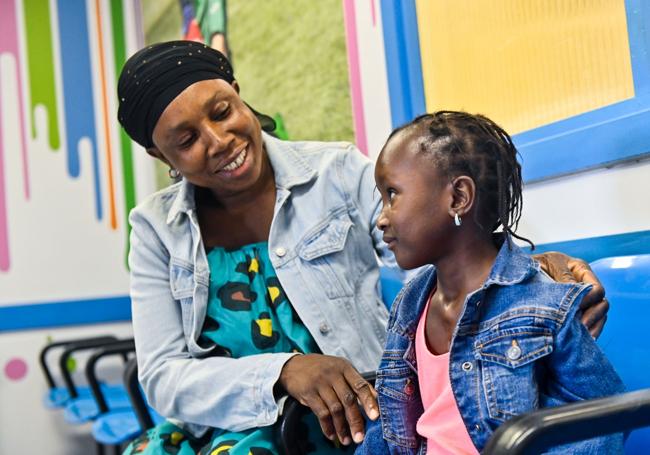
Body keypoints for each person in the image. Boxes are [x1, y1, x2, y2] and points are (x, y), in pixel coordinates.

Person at [116, 41, 609, 454]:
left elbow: (441, 235)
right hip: (225, 429)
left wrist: (536, 265)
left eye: (222, 112)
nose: (219, 140)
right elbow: (161, 375)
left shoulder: (335, 174)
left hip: (357, 417)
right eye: (186, 140)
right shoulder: (158, 230)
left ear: (239, 97)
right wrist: (283, 370)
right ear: (160, 155)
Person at [356, 111, 625, 454]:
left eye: (392, 194)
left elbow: (600, 422)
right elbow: (391, 427)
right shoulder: (410, 304)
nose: (381, 218)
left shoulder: (540, 304)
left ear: (458, 198)